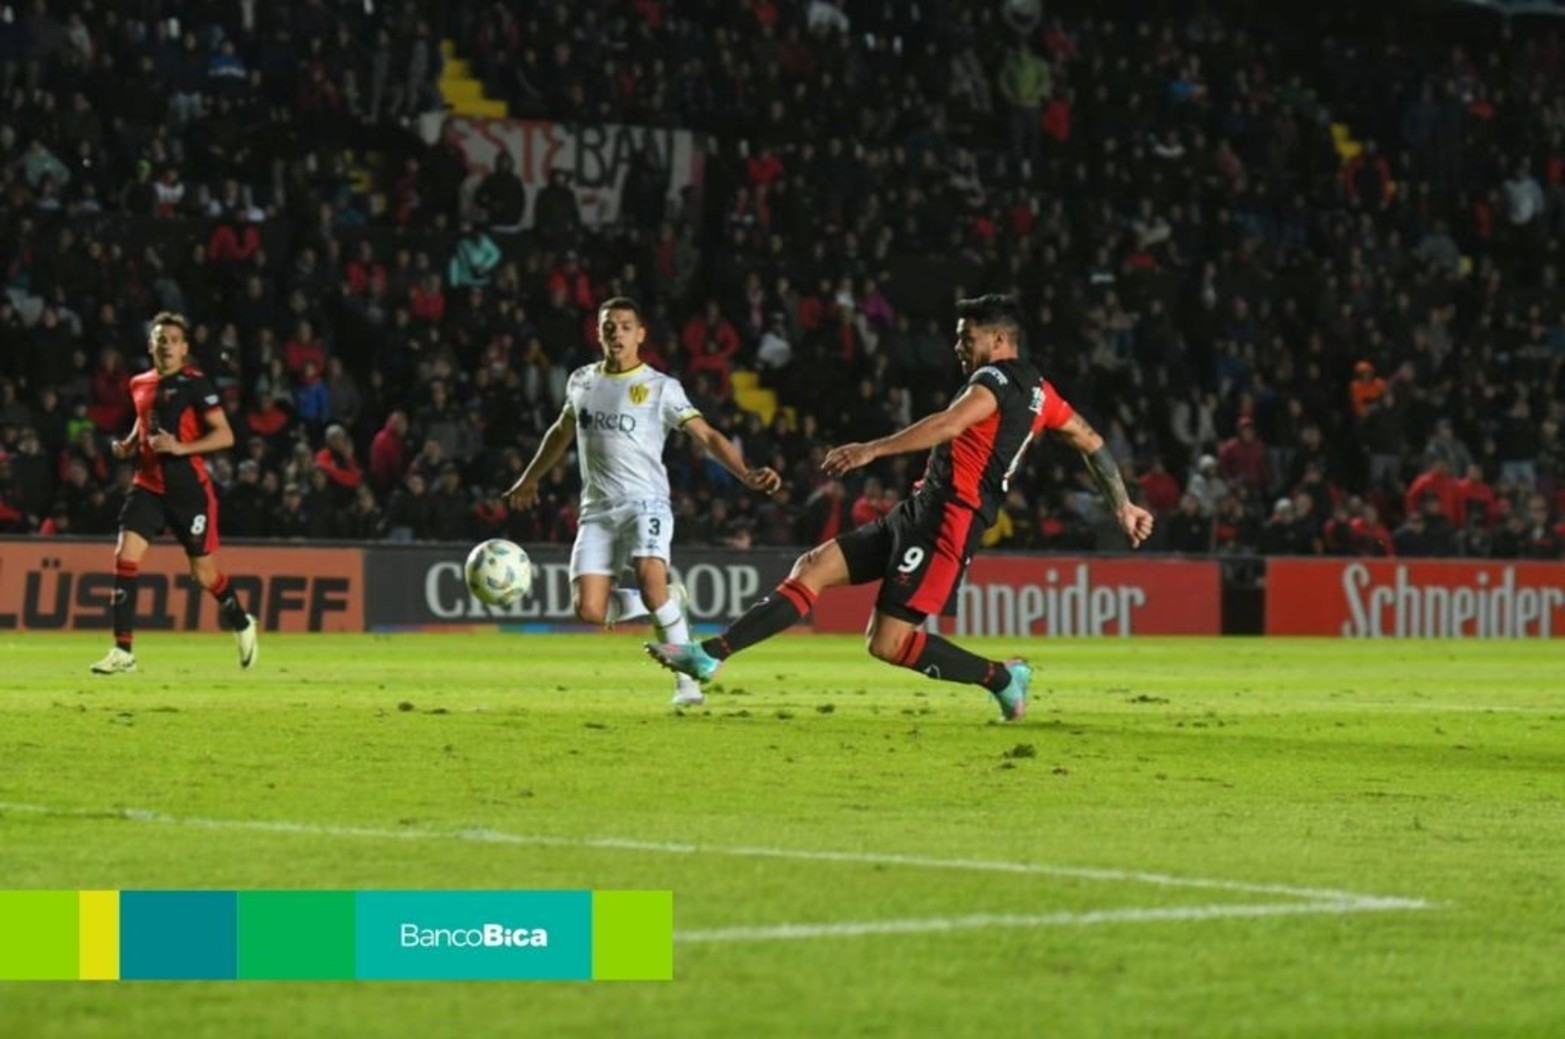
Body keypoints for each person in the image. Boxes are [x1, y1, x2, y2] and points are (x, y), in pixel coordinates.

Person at [648, 295, 1155, 721]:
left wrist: (872, 449)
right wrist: (1124, 503)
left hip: (946, 524)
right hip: (919, 510)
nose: (960, 347)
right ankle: (710, 656)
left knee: (887, 643)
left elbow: (948, 424)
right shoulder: (1043, 393)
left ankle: (1003, 677)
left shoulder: (995, 382)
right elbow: (1090, 441)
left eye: (968, 337)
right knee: (814, 566)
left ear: (999, 341)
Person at [504, 296, 782, 706]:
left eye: (624, 325)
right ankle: (671, 603)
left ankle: (687, 683)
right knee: (590, 611)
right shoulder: (581, 380)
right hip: (596, 510)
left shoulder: (660, 388)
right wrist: (529, 479)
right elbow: (561, 431)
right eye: (608, 325)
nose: (616, 332)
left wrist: (745, 473)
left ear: (640, 334)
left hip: (645, 503)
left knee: (651, 579)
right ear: (598, 332)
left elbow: (706, 435)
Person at [92, 312, 257, 674]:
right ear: (150, 344)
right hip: (147, 485)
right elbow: (143, 420)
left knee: (203, 574)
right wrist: (129, 444)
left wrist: (180, 447)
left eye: (173, 339)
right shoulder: (139, 383)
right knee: (125, 554)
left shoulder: (196, 385)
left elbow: (224, 436)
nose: (165, 343)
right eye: (159, 338)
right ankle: (123, 651)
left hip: (188, 492)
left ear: (184, 349)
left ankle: (242, 622)